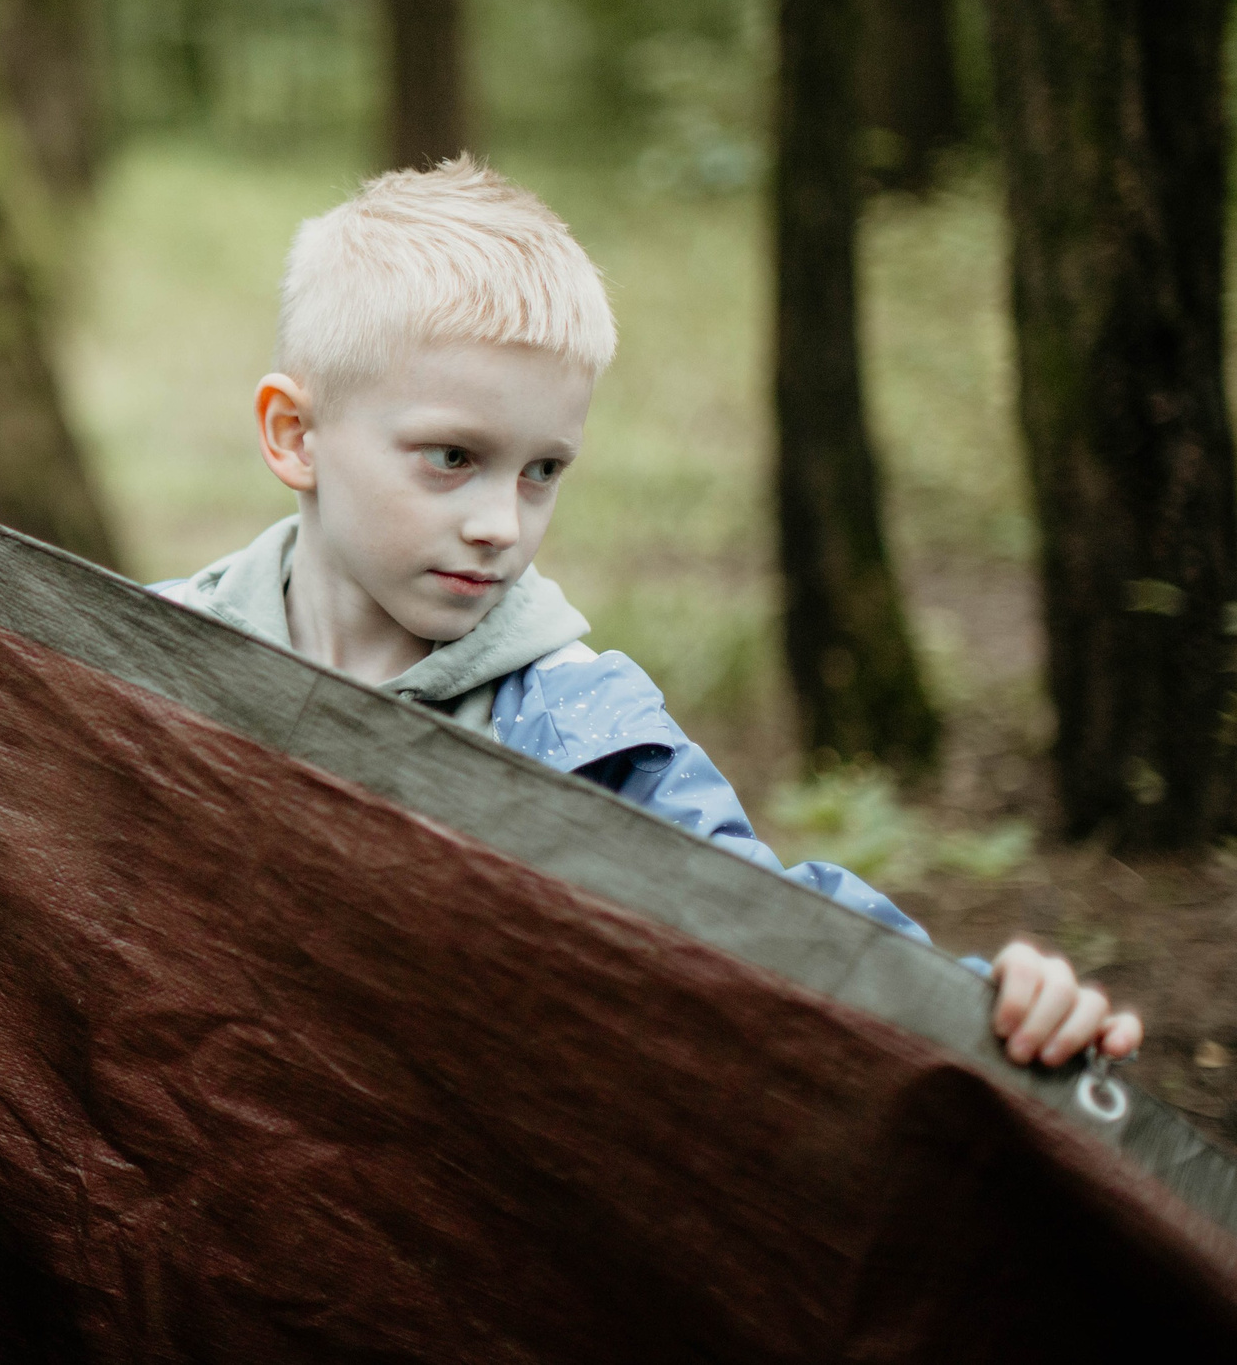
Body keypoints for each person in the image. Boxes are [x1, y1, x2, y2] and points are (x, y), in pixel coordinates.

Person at [161, 157, 1141, 1074]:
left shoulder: (579, 727)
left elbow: (774, 934)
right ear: (295, 435)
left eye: (541, 470)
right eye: (451, 457)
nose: (502, 523)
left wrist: (981, 1006)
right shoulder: (138, 662)